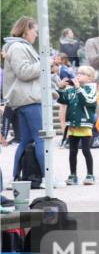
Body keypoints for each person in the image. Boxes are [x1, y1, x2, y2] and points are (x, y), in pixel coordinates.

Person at [2, 17, 49, 184]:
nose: (36, 34)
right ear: (26, 30)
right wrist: (44, 63)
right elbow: (24, 72)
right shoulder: (18, 48)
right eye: (35, 30)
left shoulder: (17, 47)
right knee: (42, 138)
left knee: (26, 140)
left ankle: (16, 177)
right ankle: (48, 177)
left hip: (23, 99)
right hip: (29, 99)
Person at [56, 65, 98, 185]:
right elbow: (62, 100)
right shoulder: (71, 89)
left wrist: (79, 88)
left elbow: (89, 101)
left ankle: (90, 174)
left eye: (82, 74)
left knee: (86, 150)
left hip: (85, 123)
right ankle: (73, 175)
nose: (78, 75)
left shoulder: (91, 89)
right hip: (73, 124)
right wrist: (61, 88)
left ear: (90, 78)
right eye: (78, 73)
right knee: (72, 151)